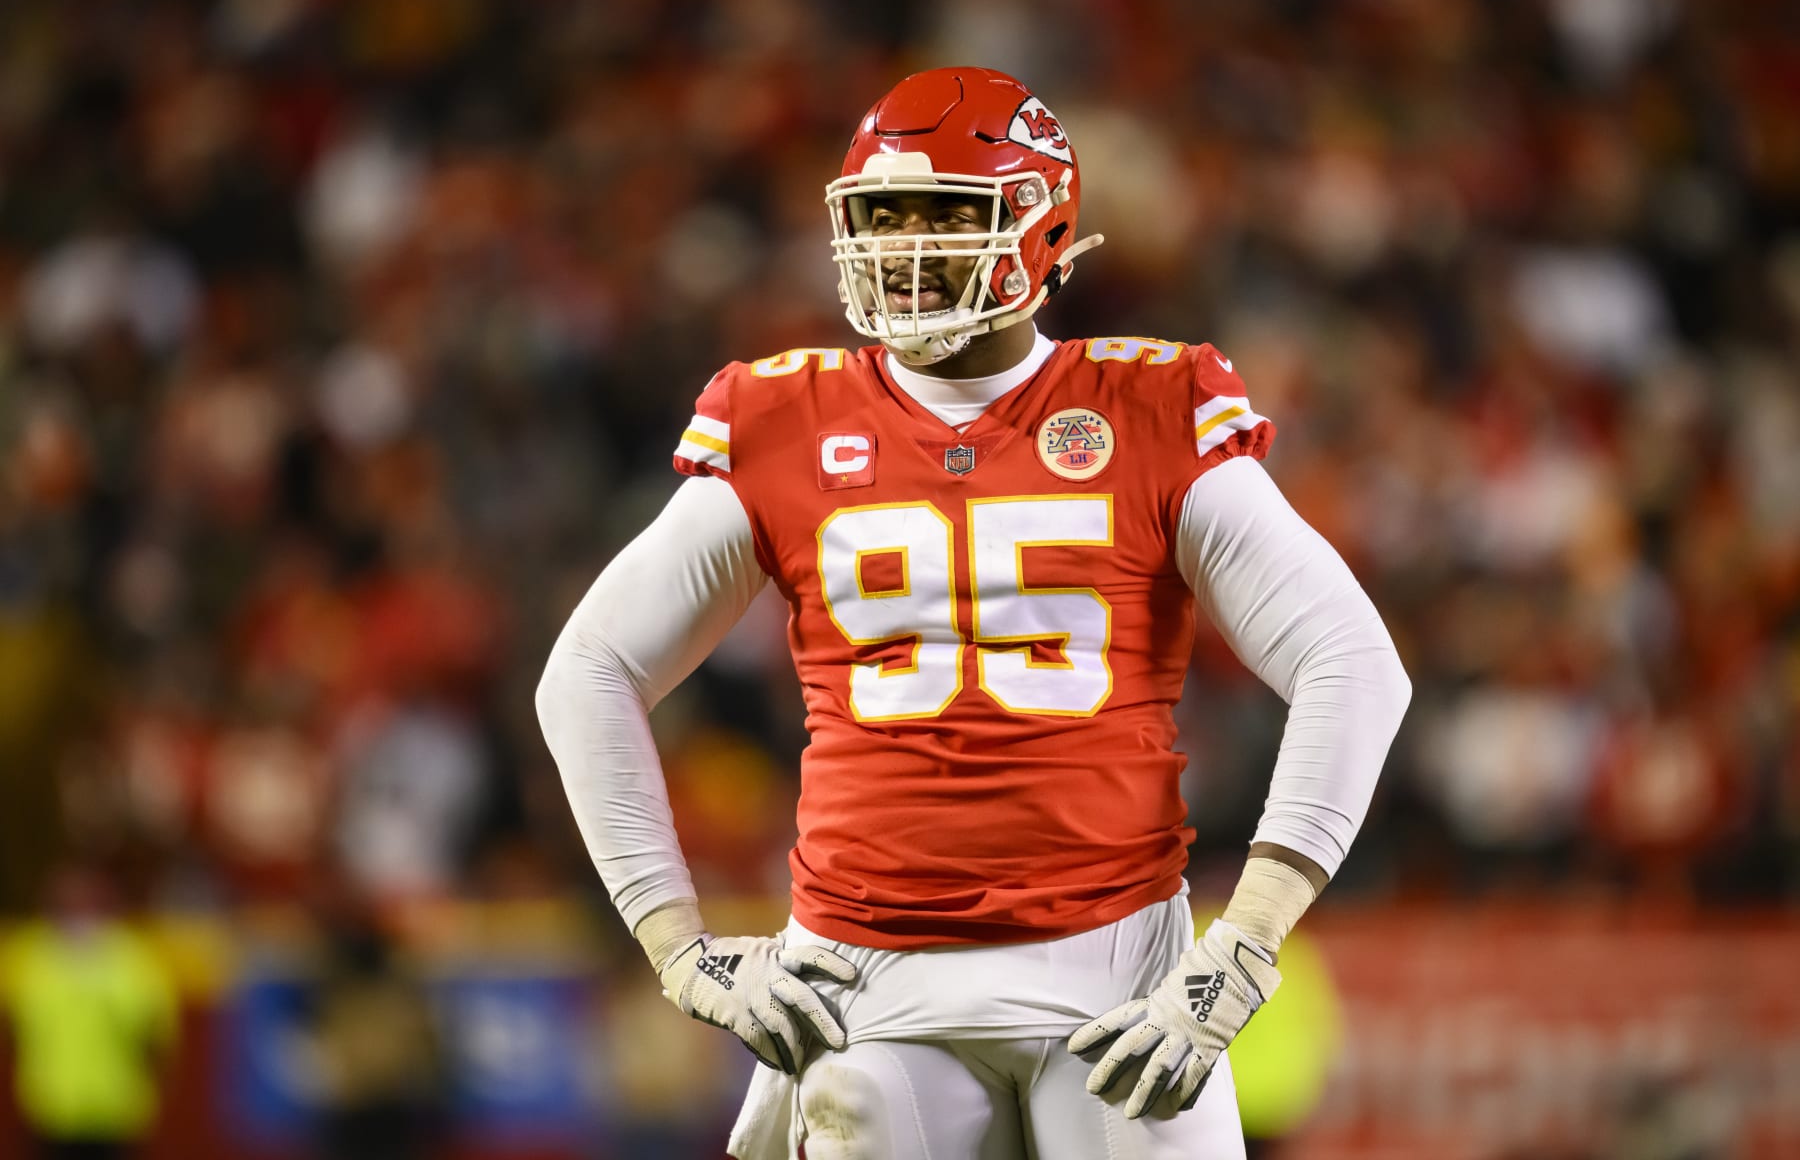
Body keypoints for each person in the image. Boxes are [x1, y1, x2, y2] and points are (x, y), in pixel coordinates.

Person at [537, 66, 1411, 1159]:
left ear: (1043, 227)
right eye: (882, 212)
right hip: (866, 973)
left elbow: (1353, 660)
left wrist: (1249, 939)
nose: (906, 243)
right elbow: (589, 671)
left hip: (1113, 958)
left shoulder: (1150, 405)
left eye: (948, 211)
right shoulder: (778, 418)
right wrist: (676, 945)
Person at [0, 863, 177, 1160]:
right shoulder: (29, 956)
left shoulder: (131, 959)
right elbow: (13, 1026)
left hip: (116, 1108)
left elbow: (155, 1033)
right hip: (50, 1107)